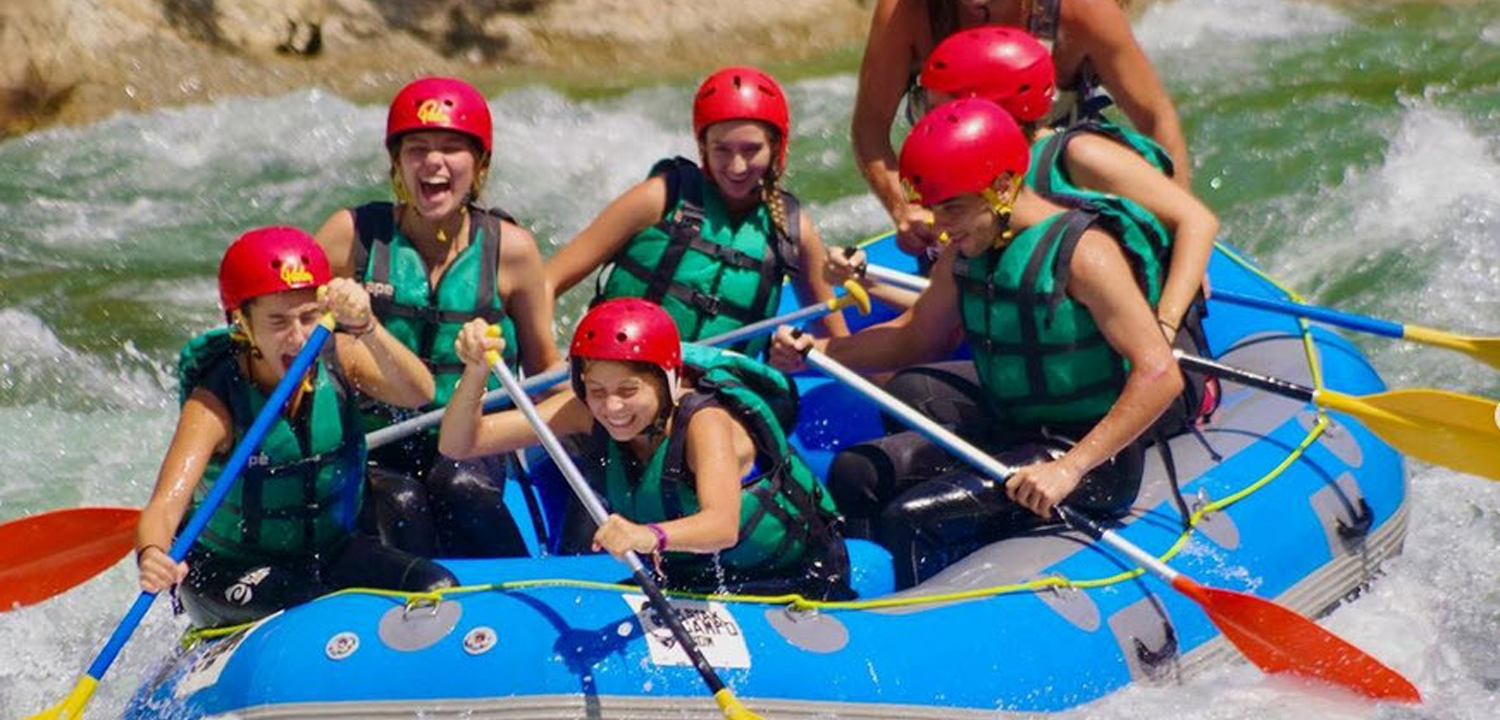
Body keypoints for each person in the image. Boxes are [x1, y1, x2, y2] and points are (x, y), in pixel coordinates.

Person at [772, 99, 1181, 588]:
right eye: (933, 208)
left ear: (1004, 186)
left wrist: (1069, 469)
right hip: (1010, 431)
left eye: (953, 207)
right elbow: (914, 337)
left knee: (914, 517)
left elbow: (1160, 373)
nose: (940, 227)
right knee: (854, 473)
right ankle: (857, 599)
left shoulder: (1085, 253)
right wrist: (815, 354)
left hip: (1089, 457)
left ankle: (924, 621)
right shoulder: (971, 248)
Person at [832, 27, 1218, 429]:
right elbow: (938, 319)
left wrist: (1166, 323)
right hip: (1050, 346)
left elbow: (1196, 220)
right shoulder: (977, 192)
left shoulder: (1077, 155)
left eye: (935, 107)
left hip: (1125, 353)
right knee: (912, 394)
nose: (928, 122)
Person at [136, 226, 456, 627]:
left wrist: (368, 327)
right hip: (229, 571)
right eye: (278, 321)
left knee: (436, 584)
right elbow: (165, 505)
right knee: (310, 608)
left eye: (309, 317)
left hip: (330, 552)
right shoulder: (215, 404)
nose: (299, 337)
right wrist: (152, 554)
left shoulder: (340, 357)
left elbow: (419, 392)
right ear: (242, 322)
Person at [439, 299, 852, 599]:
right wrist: (475, 373)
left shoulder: (706, 423)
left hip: (792, 576)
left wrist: (646, 534)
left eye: (628, 390)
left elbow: (722, 527)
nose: (612, 408)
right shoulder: (587, 410)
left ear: (667, 381)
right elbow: (461, 442)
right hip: (694, 576)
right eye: (596, 390)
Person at [314, 77, 562, 558]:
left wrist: (603, 407)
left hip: (473, 439)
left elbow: (543, 370)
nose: (434, 162)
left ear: (480, 165)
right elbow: (291, 333)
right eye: (418, 149)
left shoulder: (512, 251)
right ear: (397, 164)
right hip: (373, 438)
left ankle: (515, 586)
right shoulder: (351, 236)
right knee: (401, 503)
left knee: (461, 487)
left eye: (452, 148)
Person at [545, 66, 848, 358]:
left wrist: (795, 352)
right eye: (722, 149)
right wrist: (545, 363)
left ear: (775, 147)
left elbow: (836, 343)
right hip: (622, 383)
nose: (737, 166)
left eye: (751, 149)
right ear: (702, 146)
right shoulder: (659, 197)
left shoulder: (793, 231)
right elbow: (547, 282)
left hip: (715, 394)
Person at [851, 0, 1190, 255]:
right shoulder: (910, 12)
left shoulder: (1083, 11)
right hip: (961, 215)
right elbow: (869, 129)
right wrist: (905, 208)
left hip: (1059, 206)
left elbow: (1155, 119)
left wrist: (1176, 234)